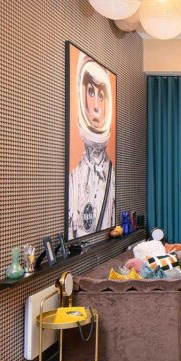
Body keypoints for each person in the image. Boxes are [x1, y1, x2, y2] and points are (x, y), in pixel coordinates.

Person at [68, 55, 115, 239]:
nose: (96, 107)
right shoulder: (73, 180)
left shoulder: (112, 176)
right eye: (90, 92)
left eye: (101, 96)